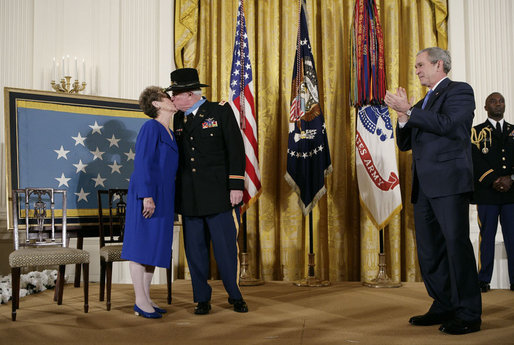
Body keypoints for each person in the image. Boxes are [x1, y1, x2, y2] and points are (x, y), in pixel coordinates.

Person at [384, 47, 482, 335]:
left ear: (439, 64)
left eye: (420, 65)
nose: (416, 71)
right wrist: (403, 117)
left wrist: (409, 110)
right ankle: (443, 304)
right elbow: (405, 143)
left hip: (450, 184)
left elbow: (451, 125)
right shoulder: (425, 101)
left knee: (456, 247)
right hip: (424, 187)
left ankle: (468, 313)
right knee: (430, 252)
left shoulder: (459, 91)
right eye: (415, 67)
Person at [166, 68, 248, 315]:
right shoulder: (179, 119)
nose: (172, 99)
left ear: (188, 94)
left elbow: (235, 149)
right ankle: (202, 298)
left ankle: (235, 295)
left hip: (219, 195)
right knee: (195, 252)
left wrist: (235, 186)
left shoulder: (219, 111)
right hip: (190, 197)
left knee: (225, 250)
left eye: (175, 95)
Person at [121, 86, 179, 319]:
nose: (172, 99)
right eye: (167, 97)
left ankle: (145, 297)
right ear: (156, 104)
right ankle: (139, 300)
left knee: (154, 246)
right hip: (148, 194)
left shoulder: (170, 130)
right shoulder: (151, 127)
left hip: (164, 195)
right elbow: (142, 162)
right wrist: (147, 196)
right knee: (141, 245)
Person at [471, 92, 514, 293]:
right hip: (487, 193)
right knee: (486, 236)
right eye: (493, 101)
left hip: (511, 194)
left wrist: (510, 179)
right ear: (486, 106)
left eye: (501, 101)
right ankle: (483, 279)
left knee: (513, 237)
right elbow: (474, 160)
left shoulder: (513, 131)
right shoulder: (475, 132)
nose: (498, 104)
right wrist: (493, 179)